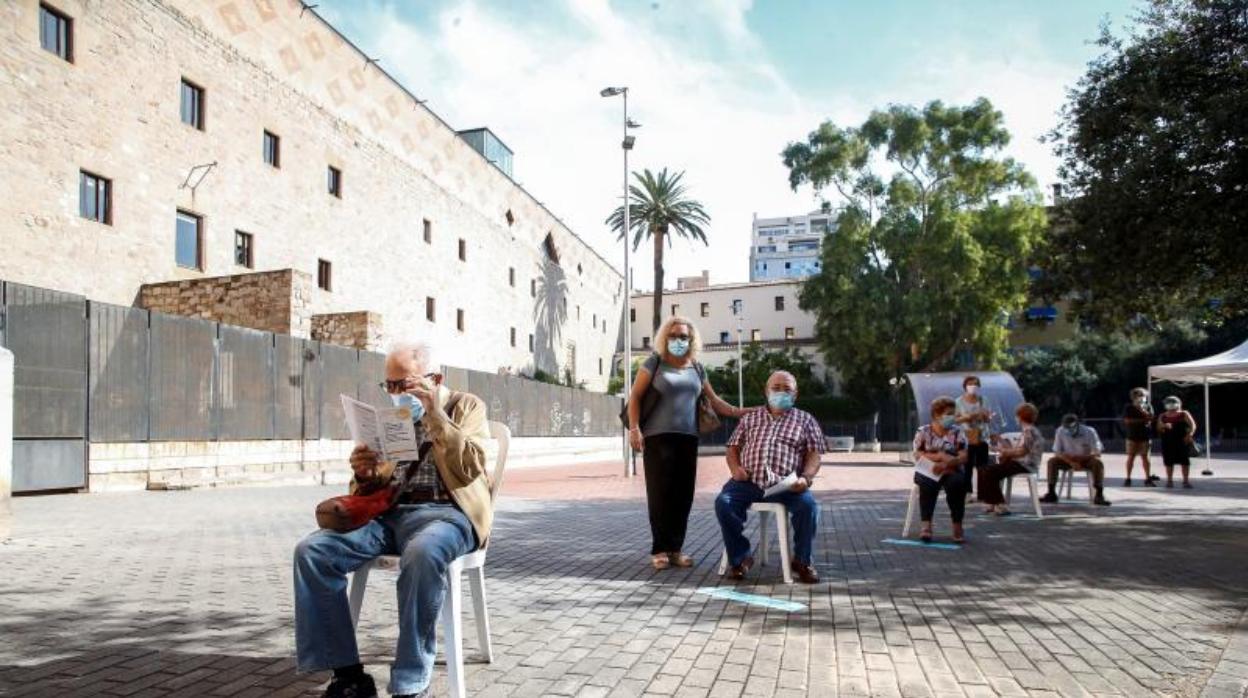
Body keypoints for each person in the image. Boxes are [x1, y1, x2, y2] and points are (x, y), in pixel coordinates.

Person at [293, 342, 492, 698]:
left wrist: (435, 416)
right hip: (388, 516)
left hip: (447, 516)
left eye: (406, 385)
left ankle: (410, 683)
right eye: (390, 385)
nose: (397, 394)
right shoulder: (392, 421)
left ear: (434, 379)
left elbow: (470, 468)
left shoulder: (467, 406)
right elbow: (369, 489)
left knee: (423, 553)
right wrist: (365, 473)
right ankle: (349, 676)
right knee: (312, 551)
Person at [627, 316, 748, 571]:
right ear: (665, 338)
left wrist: (745, 411)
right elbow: (636, 397)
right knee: (660, 495)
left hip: (688, 439)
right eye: (673, 336)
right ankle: (659, 549)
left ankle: (675, 549)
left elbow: (715, 402)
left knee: (683, 496)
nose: (678, 341)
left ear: (691, 340)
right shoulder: (655, 363)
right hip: (657, 438)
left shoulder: (697, 368)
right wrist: (635, 429)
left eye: (683, 337)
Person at [715, 370, 825, 584]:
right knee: (723, 503)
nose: (781, 393)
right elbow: (732, 447)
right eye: (776, 388)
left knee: (808, 508)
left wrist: (807, 478)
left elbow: (814, 455)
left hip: (787, 485)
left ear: (795, 394)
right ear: (766, 391)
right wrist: (735, 469)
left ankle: (802, 561)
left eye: (787, 389)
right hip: (748, 482)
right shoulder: (750, 418)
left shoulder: (806, 420)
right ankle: (740, 558)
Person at [912, 397, 969, 543]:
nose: (953, 417)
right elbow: (918, 454)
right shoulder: (923, 431)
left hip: (951, 470)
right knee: (927, 484)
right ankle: (926, 526)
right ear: (937, 415)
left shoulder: (957, 432)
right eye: (949, 413)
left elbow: (964, 456)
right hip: (928, 469)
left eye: (954, 413)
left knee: (957, 484)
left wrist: (946, 464)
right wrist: (939, 456)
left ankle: (957, 526)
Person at [977, 402, 1044, 515]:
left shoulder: (1029, 431)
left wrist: (1004, 452)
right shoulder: (1027, 431)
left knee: (990, 471)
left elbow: (1022, 452)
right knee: (984, 469)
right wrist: (1002, 447)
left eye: (1017, 415)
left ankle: (1000, 504)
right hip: (1020, 463)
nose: (1016, 418)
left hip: (1026, 465)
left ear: (1020, 416)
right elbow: (1018, 450)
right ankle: (991, 502)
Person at [1040, 414, 1111, 506]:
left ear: (1078, 424)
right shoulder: (1060, 431)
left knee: (1097, 463)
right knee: (1052, 461)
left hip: (1086, 459)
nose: (1069, 430)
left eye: (1072, 427)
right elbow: (1057, 452)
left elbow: (1097, 452)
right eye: (1066, 427)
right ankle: (1051, 492)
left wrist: (1083, 458)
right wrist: (1070, 461)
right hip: (1068, 459)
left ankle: (1099, 494)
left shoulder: (1089, 431)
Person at [955, 376, 995, 501]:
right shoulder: (959, 401)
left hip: (982, 436)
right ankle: (967, 493)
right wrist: (968, 417)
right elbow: (955, 419)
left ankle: (982, 493)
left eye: (975, 384)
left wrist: (985, 416)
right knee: (967, 465)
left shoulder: (984, 400)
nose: (973, 386)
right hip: (966, 436)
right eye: (970, 384)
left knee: (982, 465)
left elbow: (989, 418)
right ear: (965, 386)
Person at [1157, 396, 1198, 488]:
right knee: (1168, 461)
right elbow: (1158, 428)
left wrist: (1190, 434)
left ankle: (1185, 481)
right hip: (1167, 442)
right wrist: (1164, 425)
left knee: (1185, 461)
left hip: (1182, 441)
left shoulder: (1184, 413)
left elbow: (1193, 425)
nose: (1171, 404)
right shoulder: (1162, 416)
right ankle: (1169, 481)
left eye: (1173, 402)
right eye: (1169, 402)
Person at [1122, 387, 1157, 487]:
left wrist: (1142, 410)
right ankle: (1128, 478)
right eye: (1139, 395)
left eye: (1143, 395)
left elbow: (1151, 419)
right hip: (1132, 436)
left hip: (1145, 436)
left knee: (1145, 458)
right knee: (1131, 457)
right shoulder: (1128, 407)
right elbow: (1127, 421)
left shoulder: (1148, 406)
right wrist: (1142, 420)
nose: (1142, 398)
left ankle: (1147, 479)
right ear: (1133, 397)